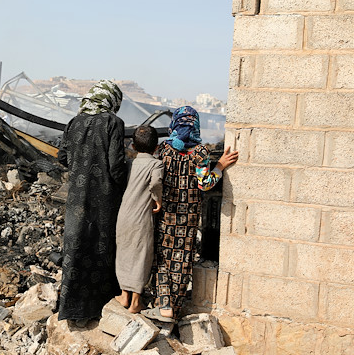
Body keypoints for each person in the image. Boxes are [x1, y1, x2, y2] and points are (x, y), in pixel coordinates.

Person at [144, 106, 238, 323]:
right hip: (188, 219)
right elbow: (205, 184)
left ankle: (162, 303)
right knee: (182, 261)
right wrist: (221, 165)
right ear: (195, 125)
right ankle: (174, 310)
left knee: (163, 258)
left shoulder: (164, 150)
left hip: (165, 215)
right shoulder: (200, 153)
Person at [57, 80, 127, 324]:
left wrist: (80, 169)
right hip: (104, 199)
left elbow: (62, 155)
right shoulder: (113, 123)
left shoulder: (73, 122)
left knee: (76, 245)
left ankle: (71, 307)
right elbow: (116, 165)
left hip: (76, 197)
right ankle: (98, 305)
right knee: (101, 246)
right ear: (112, 100)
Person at [114, 125, 164, 314]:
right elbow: (156, 182)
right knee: (141, 255)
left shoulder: (129, 163)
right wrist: (157, 199)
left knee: (124, 253)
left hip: (123, 215)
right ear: (156, 148)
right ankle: (136, 301)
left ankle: (124, 295)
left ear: (133, 146)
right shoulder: (156, 164)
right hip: (141, 217)